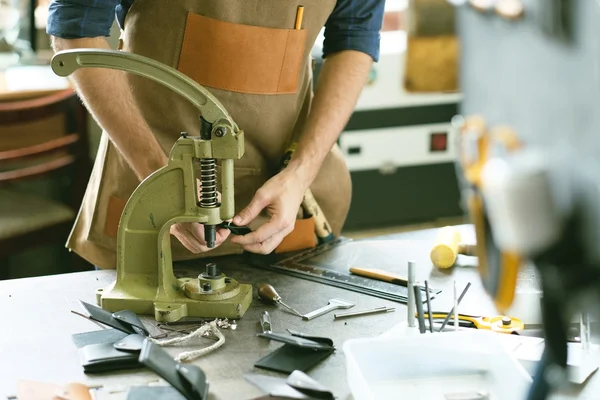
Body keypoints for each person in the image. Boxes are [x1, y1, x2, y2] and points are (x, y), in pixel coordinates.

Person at [46, 0, 385, 269]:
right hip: (150, 183)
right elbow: (76, 31)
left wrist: (301, 172)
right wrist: (158, 177)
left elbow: (355, 39)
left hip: (287, 198)